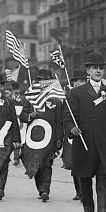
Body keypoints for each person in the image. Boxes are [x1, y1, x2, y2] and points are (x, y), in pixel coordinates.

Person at [64, 52, 106, 212]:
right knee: (84, 177)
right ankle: (88, 207)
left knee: (103, 177)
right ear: (88, 71)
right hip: (84, 143)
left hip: (103, 144)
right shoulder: (76, 93)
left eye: (101, 68)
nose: (98, 71)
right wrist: (72, 129)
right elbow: (68, 118)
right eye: (95, 68)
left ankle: (102, 210)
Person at [19, 69, 64, 202]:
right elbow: (22, 116)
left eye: (46, 81)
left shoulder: (56, 101)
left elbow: (59, 123)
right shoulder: (31, 99)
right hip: (34, 139)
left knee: (47, 164)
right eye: (40, 81)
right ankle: (40, 187)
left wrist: (59, 140)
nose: (43, 84)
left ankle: (45, 190)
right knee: (36, 165)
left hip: (50, 139)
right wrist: (29, 116)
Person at [61, 69, 87, 201]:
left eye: (82, 81)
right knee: (74, 163)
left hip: (87, 134)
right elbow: (65, 118)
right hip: (73, 135)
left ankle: (85, 191)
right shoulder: (68, 98)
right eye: (77, 81)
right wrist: (70, 129)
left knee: (86, 164)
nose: (79, 83)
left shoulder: (90, 95)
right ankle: (79, 191)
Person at [11, 81, 26, 166]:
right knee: (15, 140)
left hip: (22, 122)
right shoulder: (9, 98)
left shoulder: (24, 99)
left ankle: (22, 156)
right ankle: (16, 158)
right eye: (14, 89)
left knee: (23, 140)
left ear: (19, 90)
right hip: (14, 122)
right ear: (12, 90)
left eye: (17, 89)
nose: (16, 91)